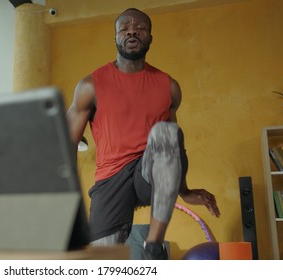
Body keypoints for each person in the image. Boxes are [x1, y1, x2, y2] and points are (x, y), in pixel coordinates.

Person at [66, 8, 221, 260]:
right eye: (124, 27)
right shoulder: (90, 85)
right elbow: (66, 145)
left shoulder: (169, 86)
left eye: (140, 27)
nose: (132, 30)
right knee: (100, 260)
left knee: (165, 132)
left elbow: (175, 148)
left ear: (149, 38)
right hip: (111, 177)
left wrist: (184, 189)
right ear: (116, 38)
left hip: (149, 172)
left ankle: (154, 242)